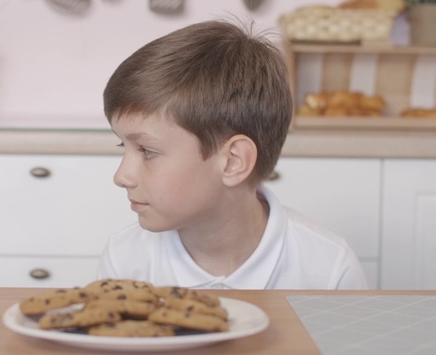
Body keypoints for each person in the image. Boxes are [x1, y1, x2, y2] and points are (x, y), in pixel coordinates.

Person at [96, 19, 368, 290]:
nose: (121, 176)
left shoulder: (330, 269)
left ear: (233, 162)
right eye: (124, 146)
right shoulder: (124, 262)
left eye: (147, 151)